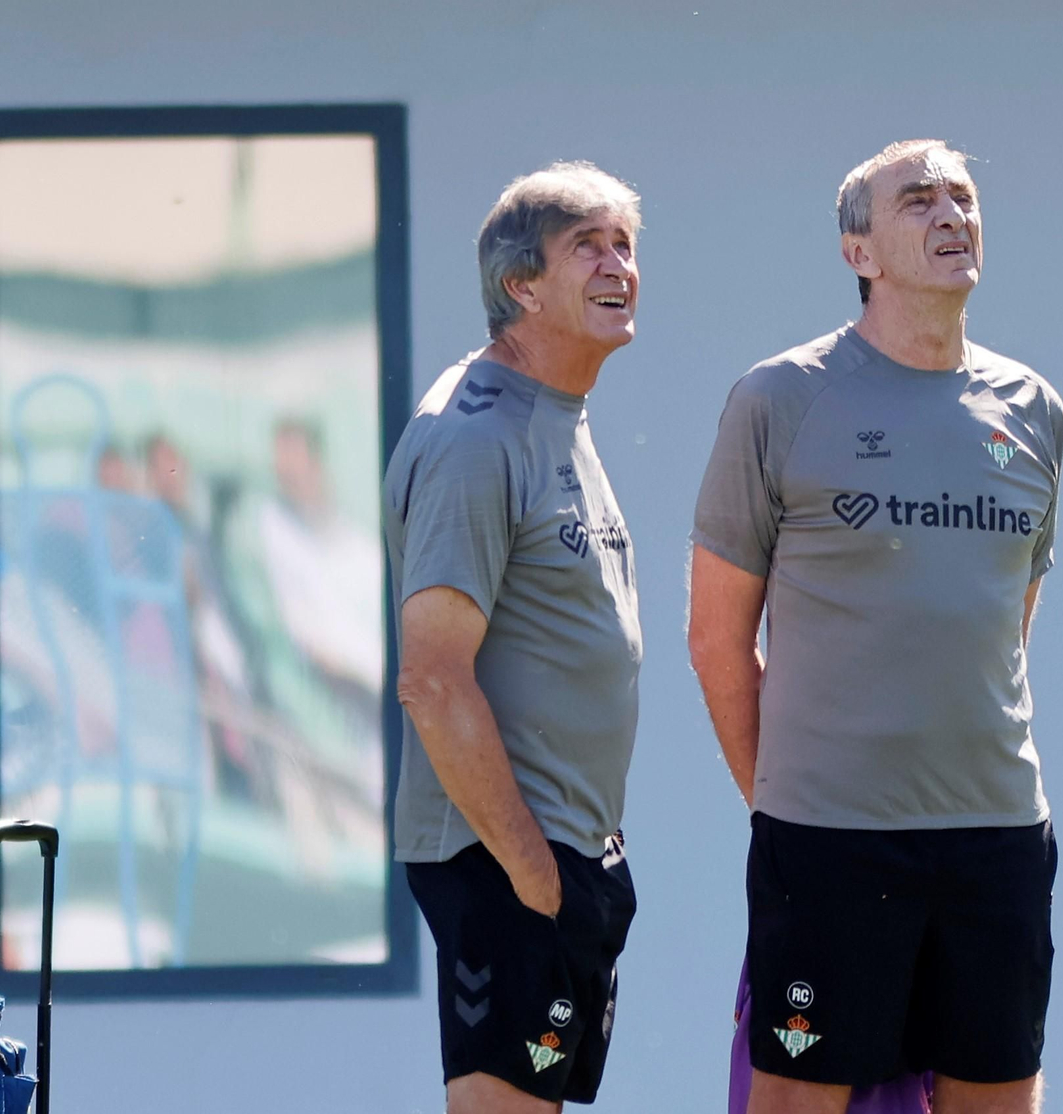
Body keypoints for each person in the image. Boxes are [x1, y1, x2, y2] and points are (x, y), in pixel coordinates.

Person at [688, 139, 1063, 1114]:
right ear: (860, 251)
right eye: (918, 200)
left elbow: (999, 631)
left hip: (996, 837)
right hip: (829, 839)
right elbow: (716, 639)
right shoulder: (779, 398)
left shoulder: (1033, 411)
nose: (951, 215)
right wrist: (779, 800)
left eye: (963, 196)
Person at [383, 162, 644, 1113]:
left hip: (566, 855)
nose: (620, 265)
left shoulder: (554, 416)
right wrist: (535, 875)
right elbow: (434, 680)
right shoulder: (474, 435)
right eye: (589, 246)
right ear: (520, 285)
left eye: (626, 245)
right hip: (504, 857)